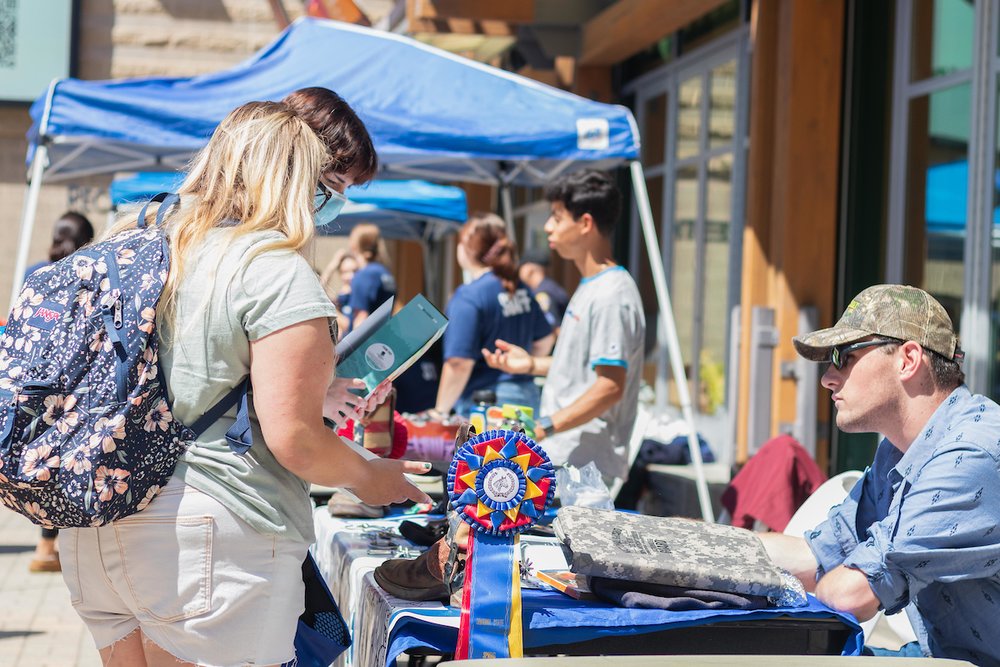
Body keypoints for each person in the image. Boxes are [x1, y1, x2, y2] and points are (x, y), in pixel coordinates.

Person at [58, 100, 430, 667]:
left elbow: (172, 375)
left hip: (98, 518)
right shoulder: (271, 267)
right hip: (205, 535)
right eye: (328, 181)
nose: (335, 200)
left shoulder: (135, 240)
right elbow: (296, 439)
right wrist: (367, 476)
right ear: (290, 169)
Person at [760, 284, 1000, 664]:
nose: (828, 378)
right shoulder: (898, 450)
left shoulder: (973, 453)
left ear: (907, 359)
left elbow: (849, 595)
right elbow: (818, 553)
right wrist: (696, 555)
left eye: (844, 355)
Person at [482, 170, 644, 485]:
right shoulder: (591, 285)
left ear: (585, 224)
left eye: (557, 218)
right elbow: (586, 369)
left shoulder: (613, 294)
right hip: (568, 459)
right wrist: (531, 364)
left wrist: (543, 426)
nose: (547, 227)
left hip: (588, 469)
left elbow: (610, 387)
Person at [25, 211, 95, 573]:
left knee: (42, 464)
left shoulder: (35, 272)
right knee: (68, 466)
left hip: (33, 382)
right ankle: (52, 546)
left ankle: (45, 545)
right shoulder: (89, 273)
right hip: (73, 384)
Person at [432, 213, 553, 418]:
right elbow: (545, 340)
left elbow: (459, 363)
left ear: (468, 249)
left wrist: (440, 410)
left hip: (487, 406)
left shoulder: (469, 295)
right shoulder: (519, 287)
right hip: (527, 398)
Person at [346, 222, 395, 330]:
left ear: (355, 245)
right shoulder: (384, 272)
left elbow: (361, 317)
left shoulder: (365, 275)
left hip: (364, 342)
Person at [518, 247, 569, 336]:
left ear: (529, 269)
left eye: (521, 267)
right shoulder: (551, 287)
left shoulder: (542, 294)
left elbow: (555, 329)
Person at [319, 248, 359, 339]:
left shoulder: (359, 295)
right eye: (345, 272)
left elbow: (348, 325)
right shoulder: (340, 297)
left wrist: (329, 307)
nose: (351, 276)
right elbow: (320, 290)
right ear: (340, 273)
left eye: (355, 271)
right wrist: (333, 265)